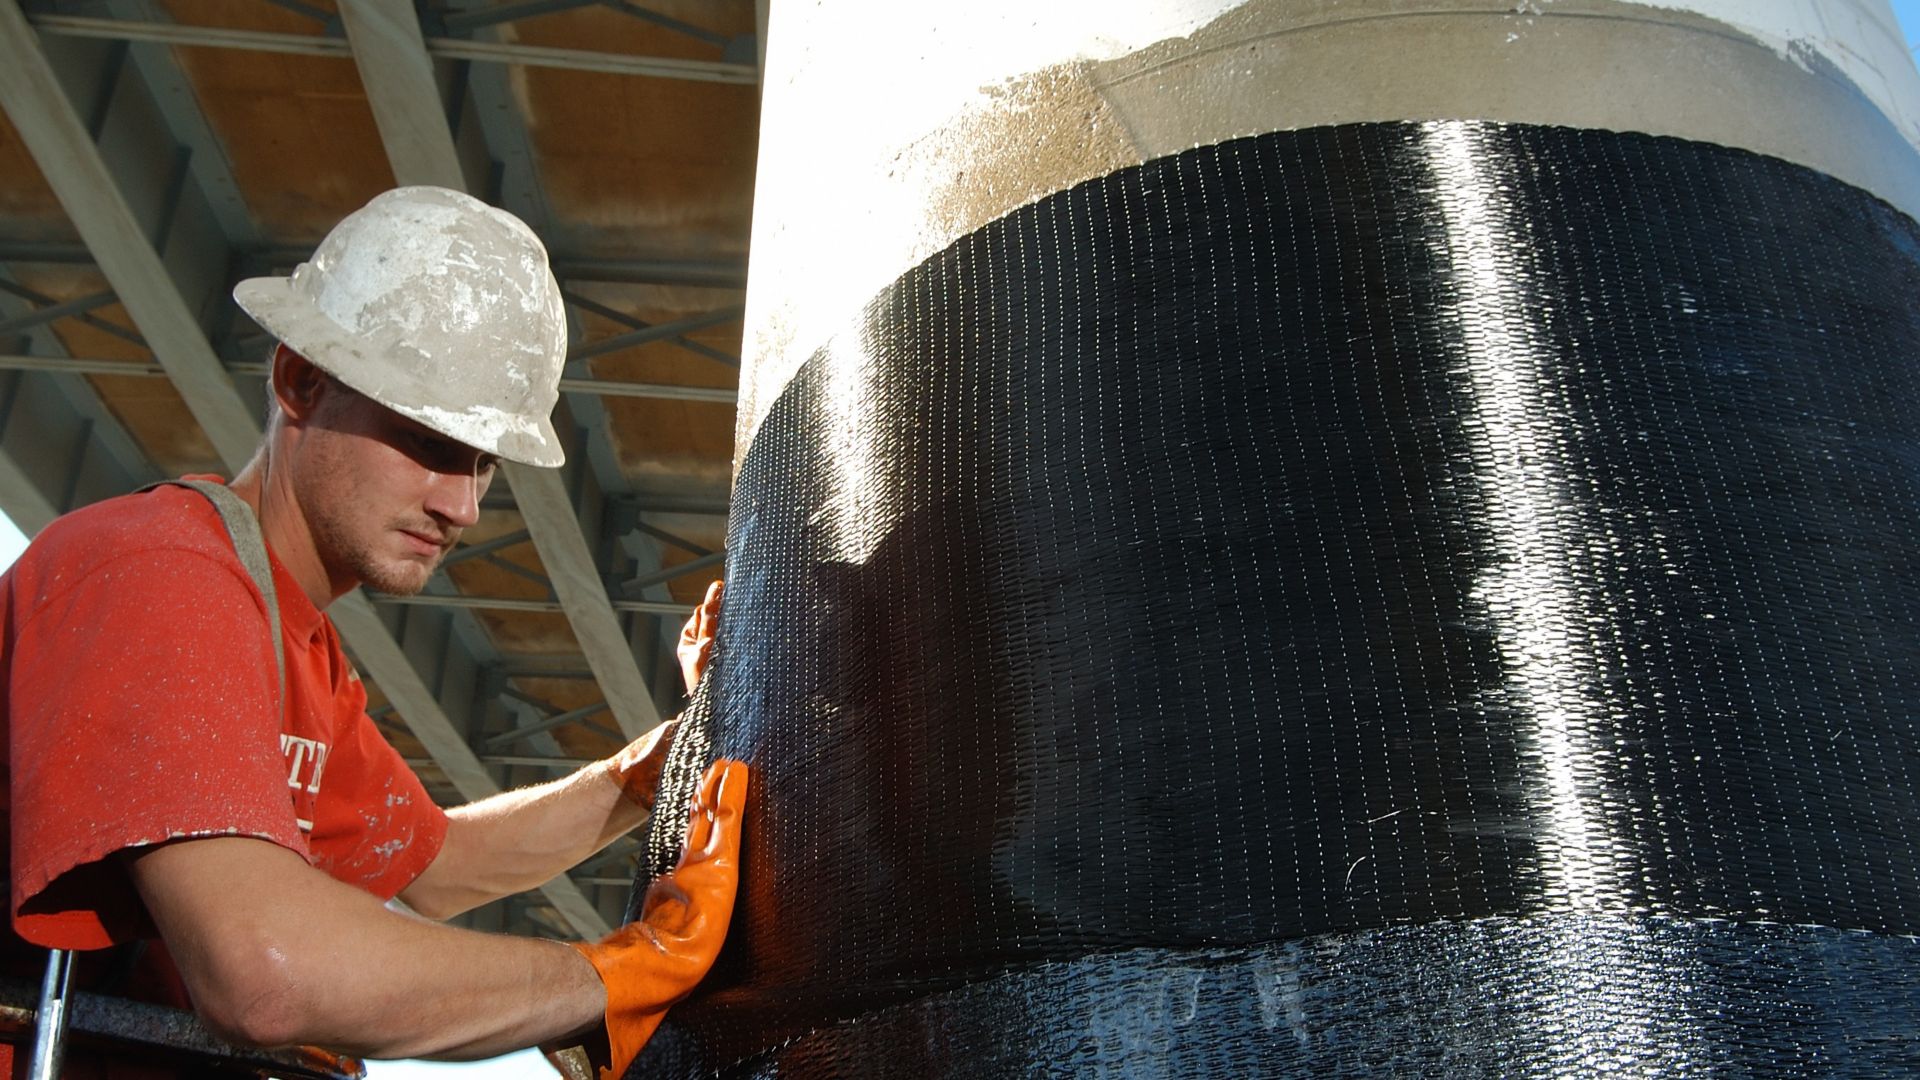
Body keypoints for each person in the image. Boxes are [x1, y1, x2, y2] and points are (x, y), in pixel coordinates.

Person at [0, 186, 744, 1079]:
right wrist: (621, 976)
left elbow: (436, 865)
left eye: (481, 464)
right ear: (299, 382)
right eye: (428, 441)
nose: (461, 504)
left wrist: (656, 769)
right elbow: (264, 976)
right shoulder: (160, 576)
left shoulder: (287, 635)